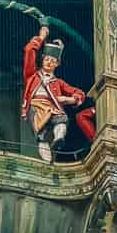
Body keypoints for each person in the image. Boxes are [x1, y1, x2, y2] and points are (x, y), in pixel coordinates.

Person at [21, 25, 85, 162]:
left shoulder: (58, 82)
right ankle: (47, 160)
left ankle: (58, 138)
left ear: (57, 64)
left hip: (52, 106)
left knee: (61, 119)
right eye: (47, 59)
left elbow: (78, 92)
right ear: (42, 60)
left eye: (53, 61)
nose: (49, 62)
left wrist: (71, 99)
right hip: (36, 105)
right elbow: (29, 50)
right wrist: (42, 37)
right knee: (41, 135)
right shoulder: (31, 75)